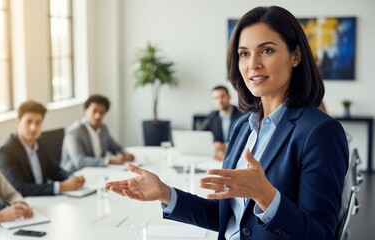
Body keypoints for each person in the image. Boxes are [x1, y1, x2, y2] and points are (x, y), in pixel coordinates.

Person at [106, 6, 348, 240]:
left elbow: (321, 234)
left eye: (266, 50)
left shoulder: (320, 132)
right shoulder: (243, 127)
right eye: (244, 53)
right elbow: (230, 219)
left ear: (295, 56)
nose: (253, 63)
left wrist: (265, 196)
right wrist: (165, 193)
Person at [0, 100, 85, 197]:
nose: (33, 128)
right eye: (29, 122)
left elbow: (55, 171)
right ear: (18, 122)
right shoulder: (5, 151)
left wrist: (72, 178)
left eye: (38, 122)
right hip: (23, 204)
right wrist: (60, 187)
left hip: (44, 199)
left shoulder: (40, 142)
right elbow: (19, 188)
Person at [60, 94, 134, 173]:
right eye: (94, 111)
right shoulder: (74, 132)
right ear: (85, 110)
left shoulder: (103, 128)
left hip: (97, 172)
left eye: (101, 112)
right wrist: (109, 161)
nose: (98, 116)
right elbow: (80, 162)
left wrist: (125, 154)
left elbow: (115, 148)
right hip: (74, 175)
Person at [199, 85, 244, 160]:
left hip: (236, 155)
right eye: (216, 98)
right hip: (217, 156)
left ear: (229, 97)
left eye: (222, 96)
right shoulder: (213, 115)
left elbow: (245, 139)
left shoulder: (241, 115)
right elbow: (201, 134)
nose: (220, 101)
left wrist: (225, 146)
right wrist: (214, 144)